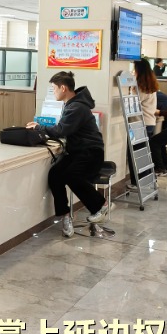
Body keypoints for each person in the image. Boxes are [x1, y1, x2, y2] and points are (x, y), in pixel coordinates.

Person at [27, 71, 107, 238]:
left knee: (72, 176)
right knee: (55, 175)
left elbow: (62, 130)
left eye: (54, 88)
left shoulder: (76, 107)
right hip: (78, 151)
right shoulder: (72, 104)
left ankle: (101, 205)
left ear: (63, 88)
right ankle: (65, 215)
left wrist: (39, 127)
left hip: (91, 153)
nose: (53, 92)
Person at [127, 59, 159, 189]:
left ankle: (138, 183)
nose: (133, 72)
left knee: (136, 155)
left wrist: (131, 91)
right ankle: (148, 181)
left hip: (139, 124)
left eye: (134, 69)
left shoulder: (139, 87)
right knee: (144, 154)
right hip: (150, 122)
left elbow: (132, 105)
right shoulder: (150, 85)